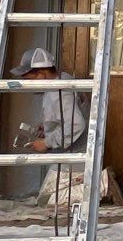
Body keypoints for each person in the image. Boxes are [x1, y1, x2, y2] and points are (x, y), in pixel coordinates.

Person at [10, 46, 89, 199]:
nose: (27, 84)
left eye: (29, 80)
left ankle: (103, 185)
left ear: (41, 75)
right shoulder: (62, 81)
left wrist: (47, 142)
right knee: (51, 199)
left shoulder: (59, 91)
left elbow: (76, 124)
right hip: (71, 155)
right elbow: (65, 115)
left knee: (50, 201)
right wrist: (47, 125)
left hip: (74, 160)